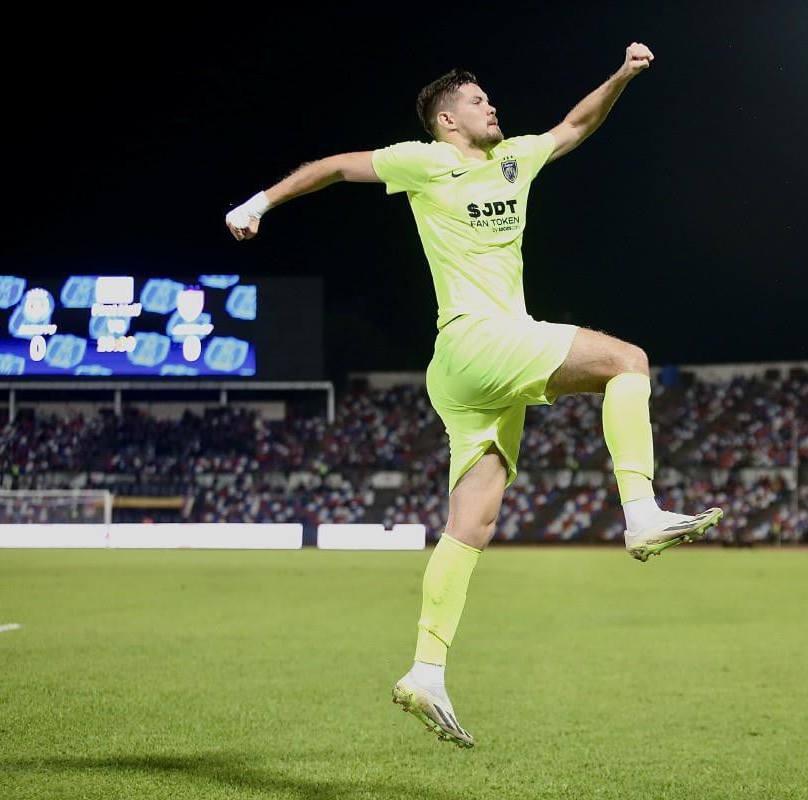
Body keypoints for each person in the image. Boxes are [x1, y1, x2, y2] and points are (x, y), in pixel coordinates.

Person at [225, 43, 723, 748]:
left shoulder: (515, 157)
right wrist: (261, 202)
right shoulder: (426, 161)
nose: (493, 105)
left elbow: (574, 128)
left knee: (472, 526)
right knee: (628, 360)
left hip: (468, 373)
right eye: (479, 99)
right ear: (447, 119)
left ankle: (426, 670)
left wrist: (619, 75)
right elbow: (336, 167)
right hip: (475, 341)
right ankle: (639, 511)